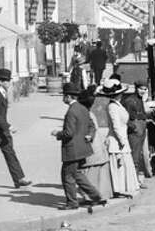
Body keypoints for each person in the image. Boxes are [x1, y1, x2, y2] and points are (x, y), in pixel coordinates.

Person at [54, 82, 105, 210]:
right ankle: (96, 196)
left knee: (67, 176)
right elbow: (92, 126)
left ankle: (72, 203)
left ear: (68, 97)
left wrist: (57, 134)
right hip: (83, 148)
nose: (63, 98)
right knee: (77, 175)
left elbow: (69, 133)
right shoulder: (82, 108)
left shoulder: (71, 111)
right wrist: (90, 135)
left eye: (64, 96)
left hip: (72, 150)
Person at [104, 82, 140, 198]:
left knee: (123, 165)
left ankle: (123, 187)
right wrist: (122, 141)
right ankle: (117, 189)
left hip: (122, 138)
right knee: (119, 165)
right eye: (119, 94)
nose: (121, 95)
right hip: (117, 141)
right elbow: (116, 126)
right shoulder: (112, 107)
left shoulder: (117, 105)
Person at [80, 84, 115, 200]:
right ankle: (103, 195)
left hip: (92, 149)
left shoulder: (86, 113)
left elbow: (90, 129)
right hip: (100, 145)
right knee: (101, 174)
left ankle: (93, 197)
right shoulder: (105, 104)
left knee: (91, 175)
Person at [121, 80, 150, 183]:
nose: (143, 91)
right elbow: (126, 118)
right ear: (136, 88)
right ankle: (134, 181)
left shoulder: (139, 99)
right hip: (136, 128)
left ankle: (137, 179)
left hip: (141, 127)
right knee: (135, 155)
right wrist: (134, 127)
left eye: (145, 89)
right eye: (141, 88)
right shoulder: (130, 101)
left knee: (139, 155)